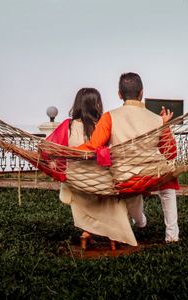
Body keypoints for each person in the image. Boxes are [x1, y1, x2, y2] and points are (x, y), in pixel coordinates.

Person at [76, 73, 180, 243]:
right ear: (141, 93)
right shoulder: (157, 120)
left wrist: (65, 150)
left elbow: (93, 147)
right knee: (169, 182)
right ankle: (172, 235)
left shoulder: (109, 117)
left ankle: (140, 221)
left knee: (130, 188)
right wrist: (165, 125)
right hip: (154, 173)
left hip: (125, 175)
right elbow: (171, 153)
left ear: (119, 94)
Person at [50, 87, 136, 249]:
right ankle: (114, 237)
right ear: (97, 104)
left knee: (77, 193)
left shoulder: (68, 126)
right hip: (100, 181)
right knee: (113, 197)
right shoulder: (104, 125)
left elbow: (54, 150)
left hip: (77, 181)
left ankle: (86, 233)